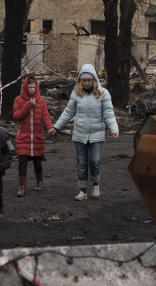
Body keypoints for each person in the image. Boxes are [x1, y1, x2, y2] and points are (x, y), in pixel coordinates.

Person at [51, 64, 119, 201]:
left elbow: (109, 113)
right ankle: (82, 190)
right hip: (80, 134)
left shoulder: (103, 94)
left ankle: (95, 185)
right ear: (80, 81)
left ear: (94, 80)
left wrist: (114, 129)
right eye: (84, 80)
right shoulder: (76, 94)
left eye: (89, 80)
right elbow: (68, 112)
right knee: (81, 162)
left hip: (96, 134)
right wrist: (56, 127)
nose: (87, 83)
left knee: (94, 161)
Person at [12, 74, 54, 196]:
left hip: (37, 138)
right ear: (25, 87)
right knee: (22, 163)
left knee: (37, 162)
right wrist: (29, 104)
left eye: (33, 87)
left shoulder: (41, 101)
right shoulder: (18, 100)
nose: (31, 89)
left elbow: (45, 117)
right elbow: (17, 116)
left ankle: (39, 182)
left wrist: (50, 128)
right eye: (29, 87)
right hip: (23, 138)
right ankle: (22, 186)